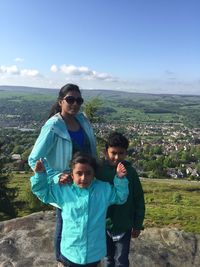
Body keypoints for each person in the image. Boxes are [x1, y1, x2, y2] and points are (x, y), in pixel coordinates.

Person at [28, 83, 97, 263]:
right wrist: (55, 175)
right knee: (64, 219)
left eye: (79, 100)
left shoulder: (82, 120)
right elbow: (34, 159)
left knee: (79, 219)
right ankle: (61, 259)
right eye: (70, 99)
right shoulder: (53, 126)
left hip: (84, 178)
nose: (75, 104)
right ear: (60, 102)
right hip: (65, 181)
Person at [31, 152, 129, 267]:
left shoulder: (103, 189)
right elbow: (44, 193)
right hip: (69, 253)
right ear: (72, 175)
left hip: (94, 254)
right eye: (79, 173)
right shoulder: (64, 190)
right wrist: (40, 174)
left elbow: (120, 197)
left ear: (94, 174)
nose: (84, 178)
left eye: (88, 173)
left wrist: (120, 178)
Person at [96, 132, 145, 267]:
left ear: (126, 154)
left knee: (121, 260)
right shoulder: (99, 171)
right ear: (106, 152)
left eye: (121, 153)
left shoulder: (131, 172)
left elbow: (138, 198)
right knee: (107, 259)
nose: (117, 157)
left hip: (124, 224)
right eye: (113, 153)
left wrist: (137, 224)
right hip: (103, 224)